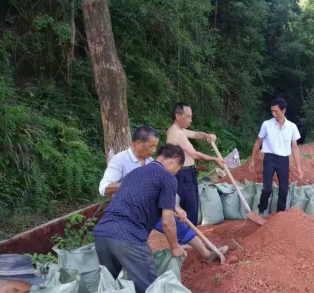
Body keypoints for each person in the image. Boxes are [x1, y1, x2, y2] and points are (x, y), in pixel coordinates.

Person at [98, 125, 227, 262]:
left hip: (153, 207)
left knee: (179, 226)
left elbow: (161, 189)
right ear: (138, 143)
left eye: (155, 147)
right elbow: (104, 188)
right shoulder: (120, 160)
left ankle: (208, 255)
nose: (154, 150)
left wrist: (175, 207)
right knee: (138, 247)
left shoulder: (150, 161)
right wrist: (135, 184)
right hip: (132, 211)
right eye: (151, 146)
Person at [166, 102, 224, 225]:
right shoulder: (177, 133)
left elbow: (195, 134)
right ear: (177, 116)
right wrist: (215, 159)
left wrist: (207, 136)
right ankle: (188, 235)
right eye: (188, 117)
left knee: (191, 206)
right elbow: (195, 154)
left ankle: (188, 234)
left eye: (191, 117)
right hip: (183, 174)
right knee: (190, 208)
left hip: (187, 173)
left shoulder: (179, 130)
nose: (190, 120)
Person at [249, 98, 303, 213]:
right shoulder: (267, 124)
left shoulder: (292, 127)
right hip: (269, 158)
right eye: (272, 111)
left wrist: (299, 168)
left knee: (283, 189)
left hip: (283, 160)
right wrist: (252, 160)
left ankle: (280, 213)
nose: (274, 114)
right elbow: (258, 142)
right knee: (267, 189)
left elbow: (295, 147)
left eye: (276, 111)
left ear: (283, 110)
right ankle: (261, 210)